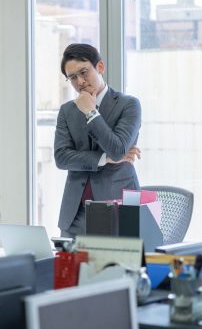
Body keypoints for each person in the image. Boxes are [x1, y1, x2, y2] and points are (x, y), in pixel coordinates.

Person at [54, 43, 141, 238]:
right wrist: (103, 158)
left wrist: (91, 112)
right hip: (74, 214)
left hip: (117, 208)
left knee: (117, 267)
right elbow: (61, 158)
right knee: (70, 268)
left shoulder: (129, 105)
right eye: (73, 77)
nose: (80, 81)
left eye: (84, 72)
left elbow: (117, 150)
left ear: (100, 67)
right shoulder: (67, 111)